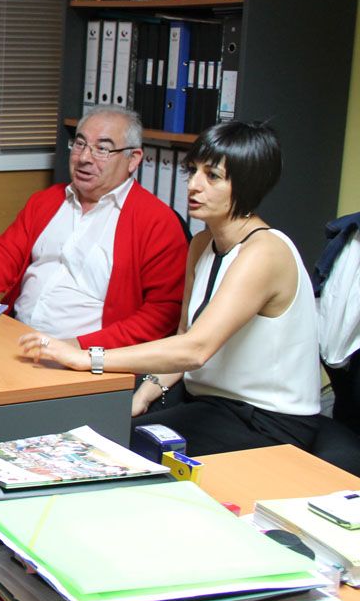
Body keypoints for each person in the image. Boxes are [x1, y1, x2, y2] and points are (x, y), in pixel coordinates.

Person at [20, 121, 321, 456]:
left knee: (113, 451)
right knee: (94, 432)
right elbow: (183, 335)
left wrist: (85, 357)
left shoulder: (263, 252)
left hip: (265, 421)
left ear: (247, 184)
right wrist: (144, 394)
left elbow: (195, 349)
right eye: (193, 172)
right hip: (209, 403)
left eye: (213, 176)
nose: (193, 185)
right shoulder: (204, 243)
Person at [0, 105, 188, 349]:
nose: (84, 158)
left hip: (91, 360)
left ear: (133, 159)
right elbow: (7, 253)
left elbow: (162, 314)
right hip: (16, 341)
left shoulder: (157, 222)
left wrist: (78, 348)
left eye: (102, 149)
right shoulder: (46, 201)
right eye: (80, 144)